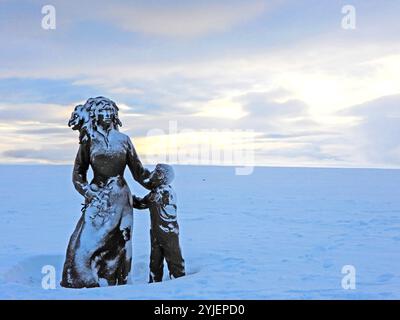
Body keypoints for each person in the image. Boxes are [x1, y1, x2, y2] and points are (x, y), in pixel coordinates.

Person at [61, 97, 150, 288]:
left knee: (120, 242)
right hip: (98, 196)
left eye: (111, 112)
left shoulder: (124, 140)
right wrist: (87, 191)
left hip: (121, 198)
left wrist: (158, 183)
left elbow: (139, 172)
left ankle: (117, 281)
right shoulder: (89, 139)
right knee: (84, 242)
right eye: (103, 112)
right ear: (95, 115)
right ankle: (83, 279)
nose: (107, 116)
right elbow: (78, 172)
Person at [132, 164, 186, 283]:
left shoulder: (165, 192)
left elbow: (151, 200)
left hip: (169, 233)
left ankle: (180, 283)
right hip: (156, 232)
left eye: (156, 172)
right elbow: (142, 204)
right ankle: (154, 284)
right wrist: (129, 198)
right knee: (155, 261)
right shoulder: (156, 192)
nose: (152, 174)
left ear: (162, 176)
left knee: (174, 259)